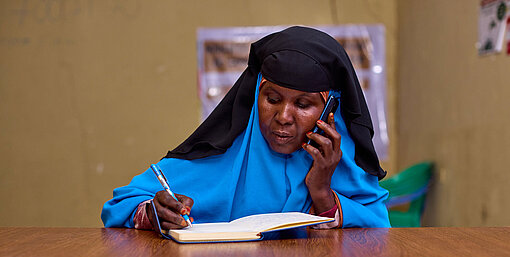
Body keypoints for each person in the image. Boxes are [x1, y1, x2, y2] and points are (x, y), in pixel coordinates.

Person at [101, 26, 390, 230]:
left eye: (303, 105)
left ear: (330, 110)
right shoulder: (219, 155)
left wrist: (322, 190)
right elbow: (119, 204)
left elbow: (378, 232)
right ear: (255, 96)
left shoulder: (342, 165)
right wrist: (154, 213)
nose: (283, 117)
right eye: (272, 99)